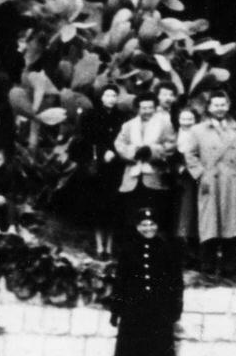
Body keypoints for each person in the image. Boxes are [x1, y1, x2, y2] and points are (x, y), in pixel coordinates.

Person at [102, 208, 184, 356]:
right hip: (133, 309)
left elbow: (176, 282)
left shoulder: (167, 249)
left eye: (152, 224)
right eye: (144, 225)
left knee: (154, 350)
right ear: (137, 227)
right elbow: (121, 281)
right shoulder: (129, 249)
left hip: (158, 310)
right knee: (126, 351)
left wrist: (174, 308)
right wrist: (116, 310)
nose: (148, 228)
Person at [186, 89, 236, 277]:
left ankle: (229, 265)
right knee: (209, 223)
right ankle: (208, 264)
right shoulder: (197, 130)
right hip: (210, 182)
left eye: (223, 105)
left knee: (232, 224)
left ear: (228, 106)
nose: (220, 109)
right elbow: (190, 154)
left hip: (232, 183)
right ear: (209, 107)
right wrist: (200, 174)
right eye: (216, 105)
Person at [73, 84, 127, 258]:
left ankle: (109, 247)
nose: (111, 99)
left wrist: (115, 153)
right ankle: (98, 246)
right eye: (107, 95)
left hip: (116, 166)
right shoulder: (91, 115)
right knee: (97, 206)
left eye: (114, 95)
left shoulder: (122, 117)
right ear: (101, 97)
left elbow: (125, 139)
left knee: (113, 206)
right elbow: (86, 138)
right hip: (97, 165)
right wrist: (103, 151)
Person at [114, 90, 176, 229]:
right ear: (138, 108)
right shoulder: (128, 125)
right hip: (133, 175)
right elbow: (119, 144)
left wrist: (151, 151)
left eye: (150, 108)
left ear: (155, 108)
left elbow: (171, 145)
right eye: (144, 108)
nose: (147, 111)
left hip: (154, 176)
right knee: (133, 214)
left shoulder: (164, 124)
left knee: (153, 214)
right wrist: (134, 152)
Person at [172, 106, 201, 260]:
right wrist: (178, 167)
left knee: (192, 214)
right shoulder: (174, 135)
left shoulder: (200, 136)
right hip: (177, 178)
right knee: (178, 214)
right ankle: (179, 251)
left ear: (195, 120)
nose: (187, 122)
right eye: (183, 119)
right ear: (178, 120)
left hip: (195, 178)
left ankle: (194, 252)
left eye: (190, 119)